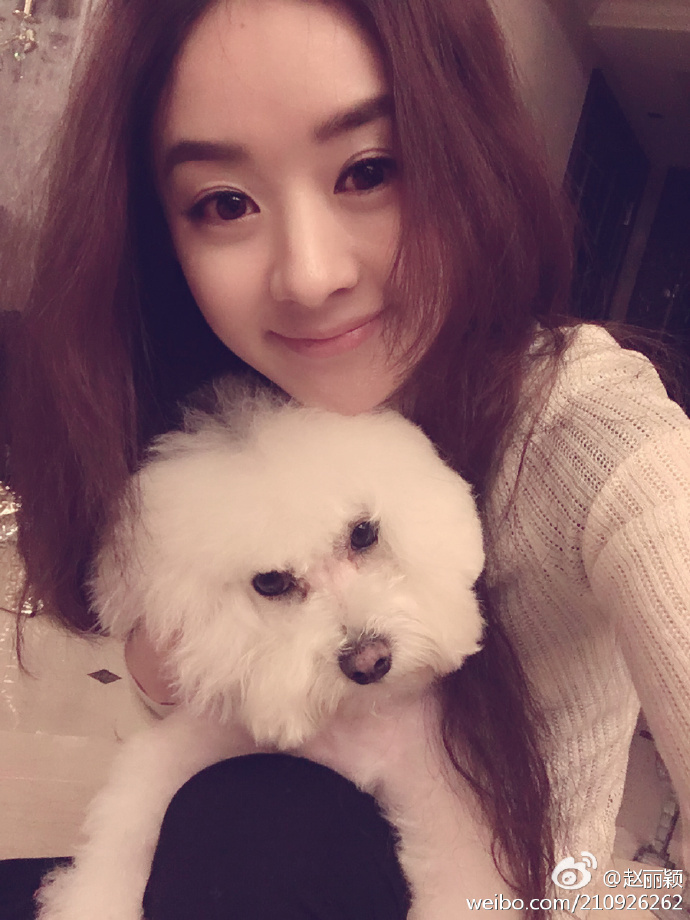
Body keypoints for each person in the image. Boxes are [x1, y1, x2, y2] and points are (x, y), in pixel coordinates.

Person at [5, 0, 690, 917]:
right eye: (225, 203)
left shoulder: (581, 430)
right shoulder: (202, 403)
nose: (309, 274)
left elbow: (656, 506)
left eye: (369, 170)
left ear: (464, 158)